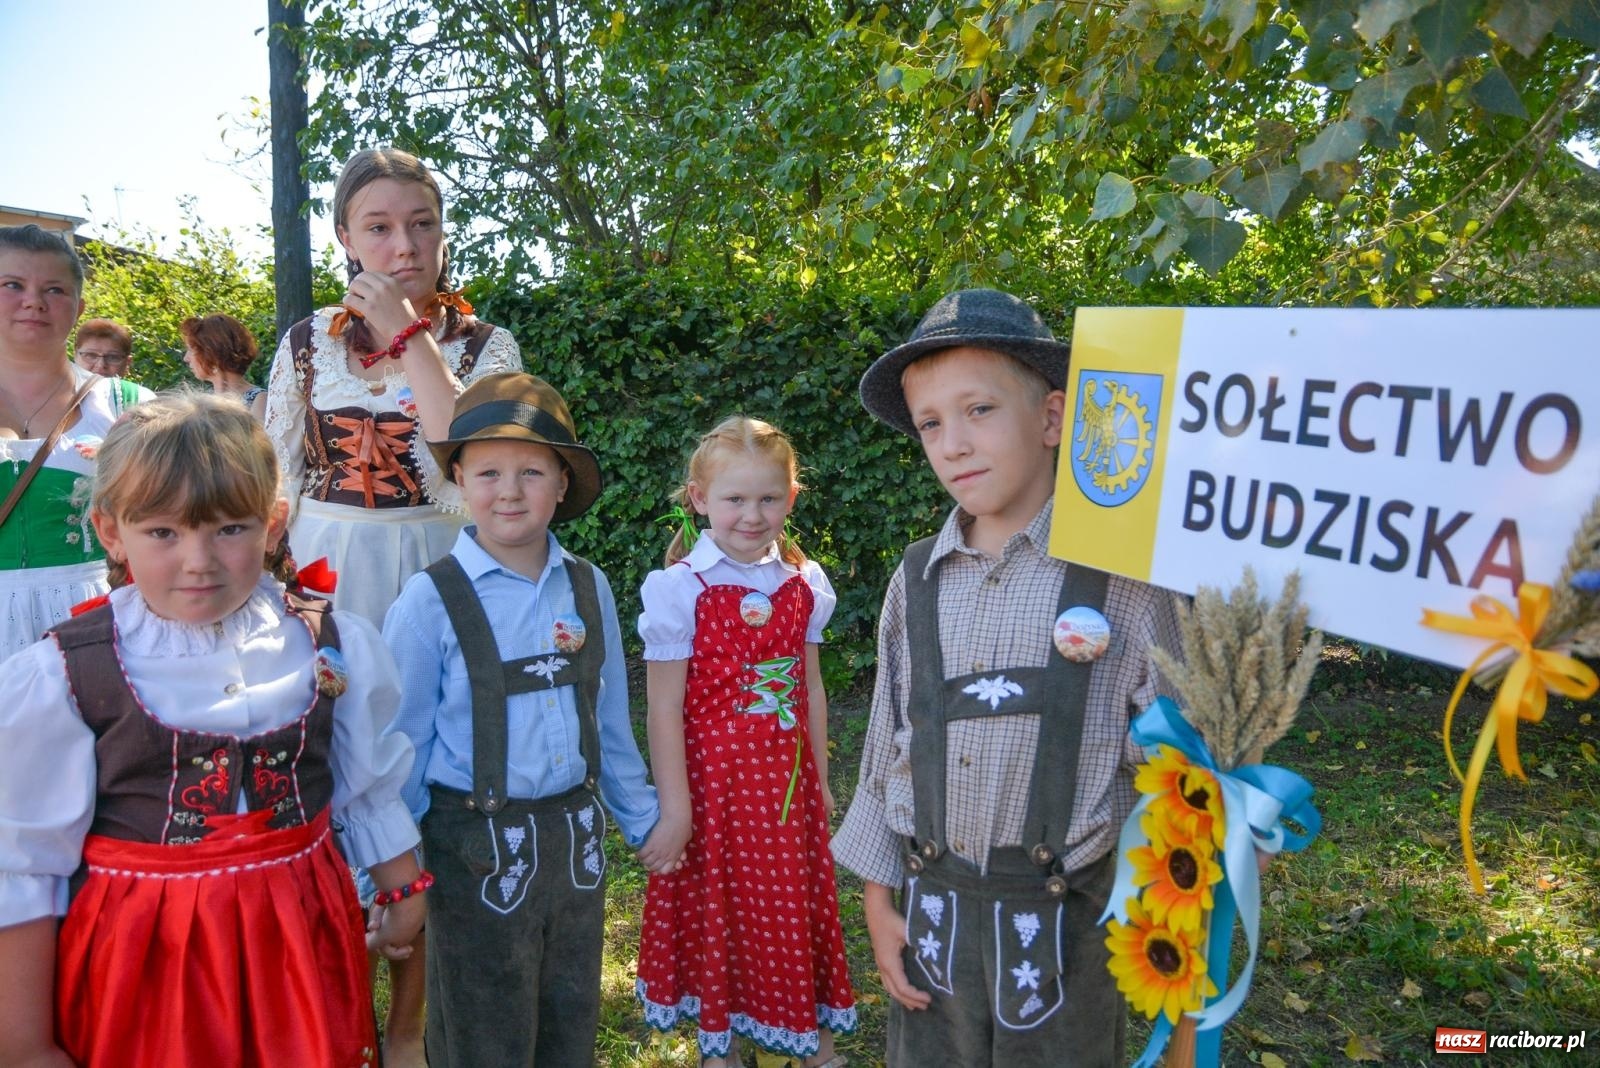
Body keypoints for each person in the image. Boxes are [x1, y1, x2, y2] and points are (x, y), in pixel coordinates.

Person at [0, 392, 427, 1068]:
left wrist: (400, 888)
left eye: (229, 529)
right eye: (163, 533)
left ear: (273, 524)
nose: (198, 560)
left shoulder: (329, 643)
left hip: (301, 944)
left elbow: (366, 785)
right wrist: (24, 1046)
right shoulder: (64, 674)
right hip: (147, 963)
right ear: (111, 532)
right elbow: (24, 868)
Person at [830, 289, 1184, 1067]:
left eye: (980, 410)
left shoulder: (1127, 579)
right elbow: (892, 736)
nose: (952, 443)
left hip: (1072, 924)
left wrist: (1219, 825)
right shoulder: (916, 578)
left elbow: (1178, 756)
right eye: (930, 423)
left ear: (1055, 419)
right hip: (933, 917)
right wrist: (878, 898)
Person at [260, 147, 522, 1059]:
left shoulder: (485, 348)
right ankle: (334, 1011)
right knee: (329, 781)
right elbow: (274, 488)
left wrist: (410, 336)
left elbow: (470, 470)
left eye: (423, 224)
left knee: (423, 784)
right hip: (324, 577)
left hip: (437, 567)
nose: (405, 245)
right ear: (344, 237)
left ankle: (410, 1028)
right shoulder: (304, 345)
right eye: (379, 226)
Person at [383, 372, 681, 1065]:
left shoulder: (588, 584)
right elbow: (401, 746)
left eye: (531, 472)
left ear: (561, 485)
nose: (510, 490)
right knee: (483, 1025)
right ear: (458, 478)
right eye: (488, 472)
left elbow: (608, 718)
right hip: (472, 848)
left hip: (573, 844)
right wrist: (393, 876)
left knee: (568, 1011)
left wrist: (642, 819)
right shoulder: (430, 601)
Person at [635, 415, 857, 1068]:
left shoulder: (803, 584)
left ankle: (810, 1036)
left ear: (791, 497)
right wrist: (676, 809)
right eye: (735, 499)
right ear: (700, 499)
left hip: (783, 792)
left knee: (786, 906)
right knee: (722, 910)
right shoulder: (680, 590)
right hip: (714, 792)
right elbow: (663, 706)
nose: (752, 515)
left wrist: (817, 775)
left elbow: (809, 689)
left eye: (768, 498)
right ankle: (722, 1043)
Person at [0, 225, 151, 659]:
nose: (34, 301)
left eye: (54, 289)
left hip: (92, 615)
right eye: (13, 285)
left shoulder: (128, 406)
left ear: (78, 307)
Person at [182, 313, 266, 418]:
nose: (186, 358)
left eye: (191, 349)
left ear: (212, 353)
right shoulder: (200, 406)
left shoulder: (259, 400)